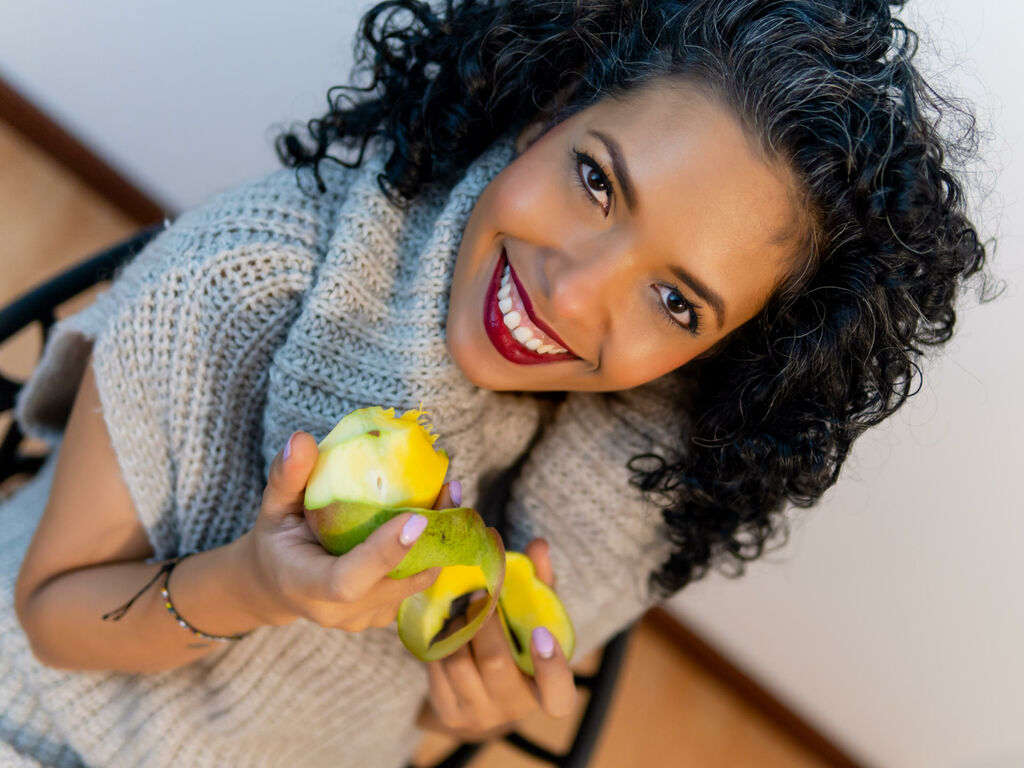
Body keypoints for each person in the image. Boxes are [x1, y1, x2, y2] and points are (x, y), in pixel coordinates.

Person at [0, 0, 993, 766]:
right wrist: (257, 582)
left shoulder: (630, 484)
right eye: (597, 181)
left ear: (725, 357)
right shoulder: (239, 284)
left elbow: (370, 715)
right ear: (550, 110)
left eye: (676, 303)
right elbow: (50, 618)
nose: (572, 293)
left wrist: (468, 703)